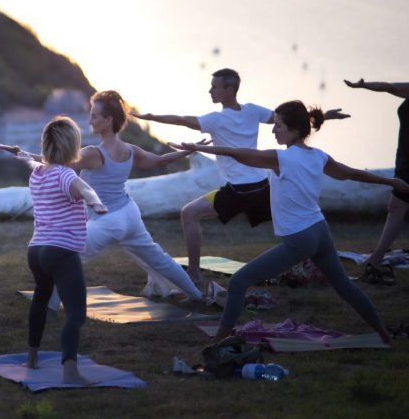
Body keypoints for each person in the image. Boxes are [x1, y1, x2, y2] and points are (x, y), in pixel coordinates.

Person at [170, 100, 405, 345]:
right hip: (320, 232)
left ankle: (218, 342)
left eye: (279, 126)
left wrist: (197, 147)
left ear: (294, 129)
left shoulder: (281, 159)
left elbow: (237, 153)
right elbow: (352, 174)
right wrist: (391, 182)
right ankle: (383, 335)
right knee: (344, 285)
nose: (273, 130)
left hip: (300, 240)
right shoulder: (319, 156)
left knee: (239, 281)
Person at [132, 68, 347, 288]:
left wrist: (150, 117)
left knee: (188, 213)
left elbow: (181, 120)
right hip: (261, 187)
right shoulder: (253, 111)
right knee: (298, 222)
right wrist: (324, 116)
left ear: (229, 89)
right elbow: (294, 121)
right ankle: (320, 257)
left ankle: (195, 275)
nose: (210, 91)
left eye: (215, 87)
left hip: (237, 191)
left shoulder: (215, 119)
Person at [1, 91, 204, 302]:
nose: (90, 120)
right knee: (159, 258)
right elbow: (160, 160)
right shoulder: (130, 150)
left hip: (108, 220)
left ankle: (47, 308)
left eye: (94, 116)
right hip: (129, 214)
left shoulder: (92, 154)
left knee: (64, 257)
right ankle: (196, 295)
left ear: (108, 120)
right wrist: (189, 150)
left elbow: (54, 162)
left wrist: (21, 154)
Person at [3, 116, 107, 385]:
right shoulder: (66, 175)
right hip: (61, 251)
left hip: (36, 251)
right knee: (76, 313)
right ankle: (70, 371)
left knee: (41, 299)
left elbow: (30, 160)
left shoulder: (38, 172)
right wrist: (96, 204)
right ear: (72, 146)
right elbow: (85, 189)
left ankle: (31, 357)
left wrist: (21, 154)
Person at [344, 78, 409, 284]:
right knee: (396, 207)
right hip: (405, 159)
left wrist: (363, 86)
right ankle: (377, 257)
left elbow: (391, 87)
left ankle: (377, 257)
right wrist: (363, 86)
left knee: (396, 206)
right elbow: (390, 87)